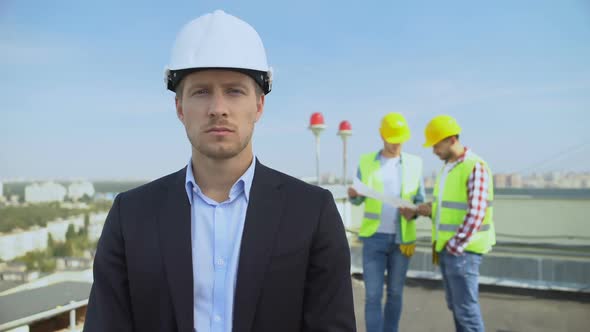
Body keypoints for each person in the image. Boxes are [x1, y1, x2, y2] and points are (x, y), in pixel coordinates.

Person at [84, 10, 356, 332]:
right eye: (201, 92)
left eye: (234, 91)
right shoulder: (130, 215)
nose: (218, 108)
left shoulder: (312, 213)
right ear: (180, 108)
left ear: (259, 105)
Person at [416, 114, 495, 332]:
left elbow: (476, 213)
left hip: (462, 252)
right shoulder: (448, 168)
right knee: (459, 310)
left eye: (436, 145)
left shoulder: (474, 166)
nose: (433, 150)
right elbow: (449, 210)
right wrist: (428, 209)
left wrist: (454, 247)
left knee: (467, 313)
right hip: (450, 251)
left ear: (451, 139)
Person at [348, 112, 425, 332]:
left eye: (400, 139)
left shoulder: (415, 164)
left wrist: (415, 212)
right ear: (382, 135)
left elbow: (419, 201)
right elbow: (359, 199)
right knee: (372, 296)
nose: (396, 144)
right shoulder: (366, 162)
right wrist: (354, 195)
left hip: (402, 240)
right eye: (392, 139)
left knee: (395, 294)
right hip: (374, 238)